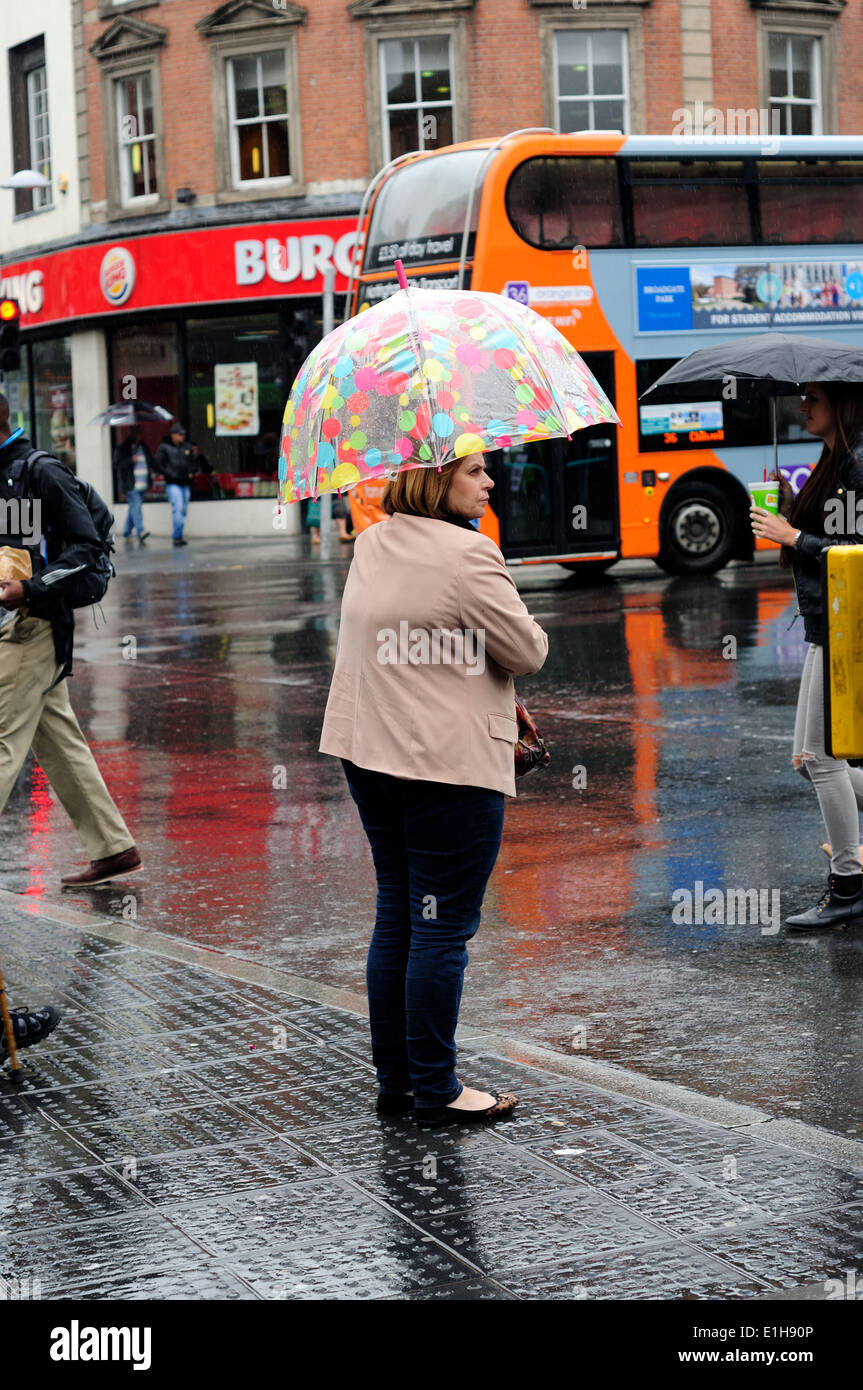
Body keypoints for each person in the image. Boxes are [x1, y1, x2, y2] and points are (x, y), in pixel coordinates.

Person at [319, 451, 548, 1126]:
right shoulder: (468, 553)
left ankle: (399, 1082)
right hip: (444, 766)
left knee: (400, 912)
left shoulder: (372, 541)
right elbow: (527, 651)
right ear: (437, 477)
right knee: (442, 927)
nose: (489, 482)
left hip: (369, 754)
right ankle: (438, 1089)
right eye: (475, 471)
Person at [0, 392, 142, 887]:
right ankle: (113, 848)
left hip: (32, 629)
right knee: (58, 739)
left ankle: (112, 847)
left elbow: (86, 548)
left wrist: (30, 589)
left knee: (1, 739)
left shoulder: (41, 472)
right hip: (10, 630)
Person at [751, 382, 863, 930]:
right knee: (810, 760)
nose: (803, 406)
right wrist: (789, 510)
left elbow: (859, 554)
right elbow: (829, 536)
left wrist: (792, 535)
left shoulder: (859, 464)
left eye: (813, 397)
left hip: (850, 629)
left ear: (843, 403)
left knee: (822, 759)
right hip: (828, 625)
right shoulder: (835, 458)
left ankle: (847, 886)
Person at [154, 423, 196, 547]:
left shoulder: (187, 447)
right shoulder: (164, 448)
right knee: (177, 508)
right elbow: (157, 464)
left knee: (183, 510)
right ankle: (177, 536)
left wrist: (190, 473)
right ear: (173, 435)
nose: (182, 436)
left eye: (183, 434)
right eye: (179, 434)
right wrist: (169, 474)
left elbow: (193, 463)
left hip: (185, 483)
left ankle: (179, 535)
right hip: (173, 484)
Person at [112, 426, 152, 543]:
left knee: (133, 507)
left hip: (142, 483)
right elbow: (117, 465)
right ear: (131, 434)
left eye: (141, 433)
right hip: (130, 484)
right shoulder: (122, 448)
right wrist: (130, 460)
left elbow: (151, 461)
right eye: (137, 433)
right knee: (136, 506)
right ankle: (141, 531)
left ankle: (126, 531)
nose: (140, 435)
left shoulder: (143, 447)